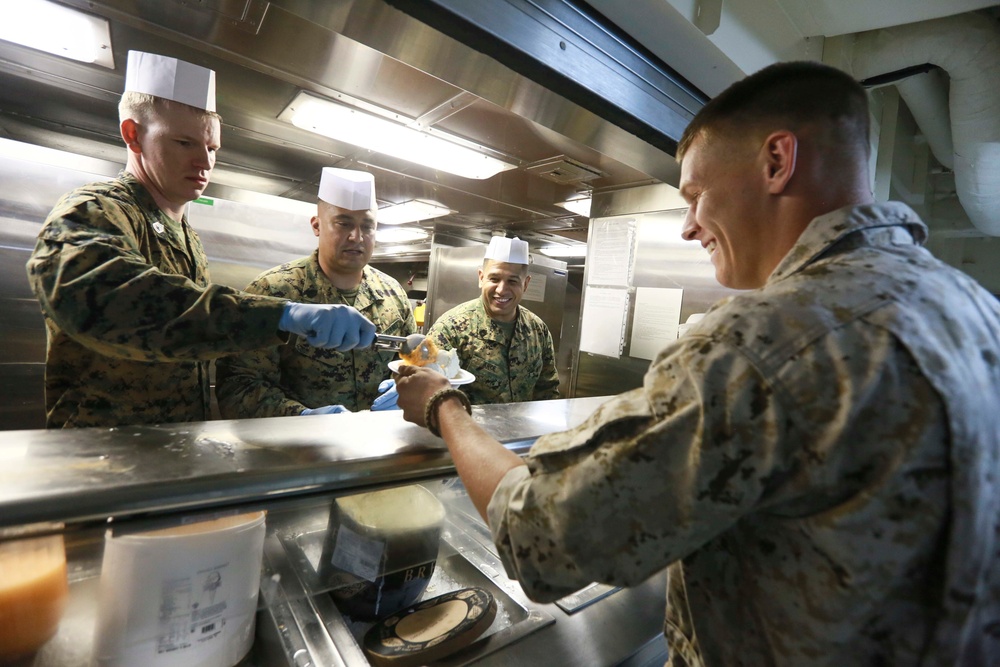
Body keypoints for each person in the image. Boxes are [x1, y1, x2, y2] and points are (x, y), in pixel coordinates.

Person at [394, 60, 1000, 666]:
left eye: (695, 195)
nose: (688, 228)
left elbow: (539, 538)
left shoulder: (761, 344)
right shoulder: (976, 309)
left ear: (776, 161)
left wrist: (445, 406)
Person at [25, 51, 375, 429]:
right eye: (184, 143)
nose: (204, 163)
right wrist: (282, 314)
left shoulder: (187, 236)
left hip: (172, 448)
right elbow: (111, 299)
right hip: (100, 453)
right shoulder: (94, 210)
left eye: (211, 149)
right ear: (133, 134)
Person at [215, 168, 416, 416]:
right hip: (297, 450)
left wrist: (409, 386)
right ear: (317, 225)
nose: (357, 237)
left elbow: (413, 361)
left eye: (367, 226)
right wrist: (301, 418)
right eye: (344, 223)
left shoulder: (393, 294)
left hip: (380, 445)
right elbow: (237, 387)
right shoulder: (273, 290)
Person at [425, 236, 559, 405]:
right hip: (466, 429)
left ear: (525, 284)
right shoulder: (450, 329)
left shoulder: (538, 330)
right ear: (481, 278)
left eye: (512, 281)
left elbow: (547, 390)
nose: (502, 290)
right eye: (494, 279)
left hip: (521, 430)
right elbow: (429, 391)